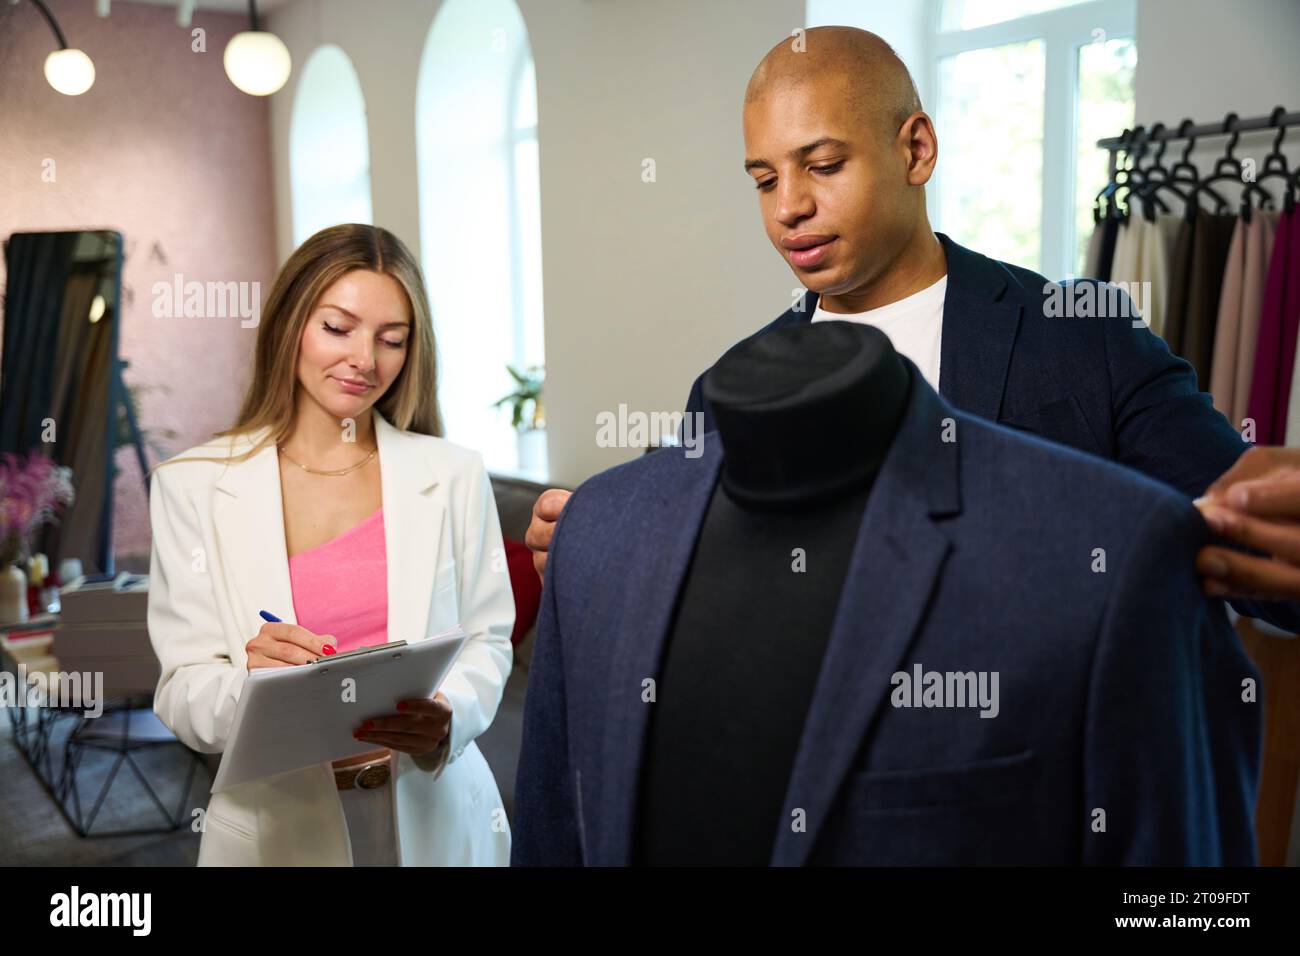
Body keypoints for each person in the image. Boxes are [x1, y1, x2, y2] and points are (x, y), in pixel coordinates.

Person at [526, 26, 1300, 624]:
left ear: (917, 150)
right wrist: (600, 547)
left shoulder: (1084, 339)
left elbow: (1250, 537)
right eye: (764, 180)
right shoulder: (728, 391)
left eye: (822, 166)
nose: (787, 207)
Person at [147, 223, 514, 866]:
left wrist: (447, 719)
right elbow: (181, 691)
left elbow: (488, 639)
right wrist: (251, 686)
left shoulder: (453, 473)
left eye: (391, 339)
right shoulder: (193, 486)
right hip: (277, 831)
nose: (365, 359)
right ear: (291, 325)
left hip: (435, 815)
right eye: (338, 328)